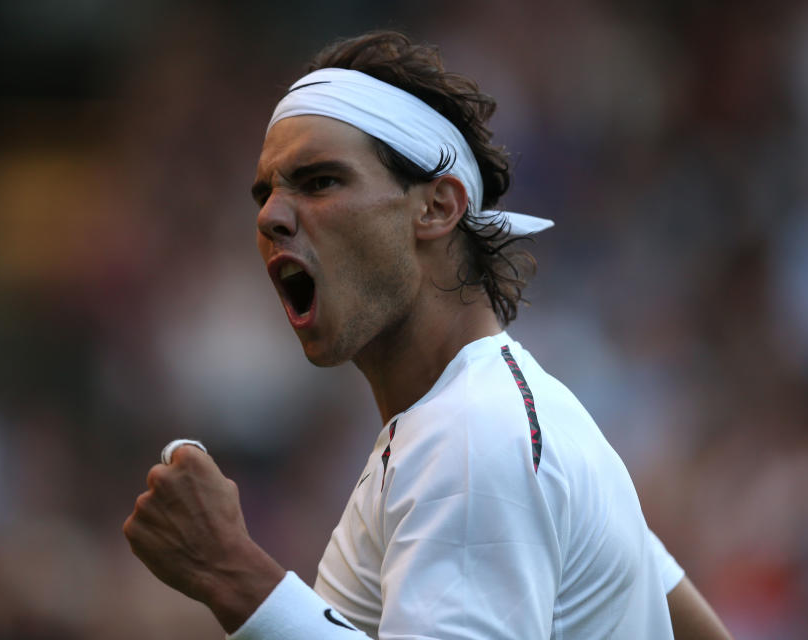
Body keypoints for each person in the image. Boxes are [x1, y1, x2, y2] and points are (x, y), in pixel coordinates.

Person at [123, 31, 731, 639]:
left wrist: (230, 570)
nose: (270, 216)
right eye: (266, 192)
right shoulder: (488, 425)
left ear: (438, 207)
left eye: (319, 182)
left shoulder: (473, 435)